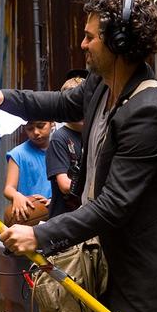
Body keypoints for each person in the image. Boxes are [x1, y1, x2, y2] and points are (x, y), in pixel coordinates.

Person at [0, 0, 157, 312]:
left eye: (91, 37)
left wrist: (40, 234)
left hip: (136, 269)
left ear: (119, 42)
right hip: (100, 256)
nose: (83, 44)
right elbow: (60, 102)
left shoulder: (149, 112)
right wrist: (7, 98)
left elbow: (114, 204)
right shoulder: (101, 84)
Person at [45, 71, 86, 220]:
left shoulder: (94, 134)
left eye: (84, 105)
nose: (80, 112)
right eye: (74, 107)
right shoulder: (59, 138)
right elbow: (64, 185)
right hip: (63, 219)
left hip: (87, 216)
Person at [3, 120, 52, 224]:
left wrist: (54, 201)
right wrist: (16, 195)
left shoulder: (60, 150)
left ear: (52, 123)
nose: (36, 132)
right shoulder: (17, 154)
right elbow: (8, 188)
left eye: (41, 126)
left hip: (56, 215)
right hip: (28, 215)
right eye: (30, 128)